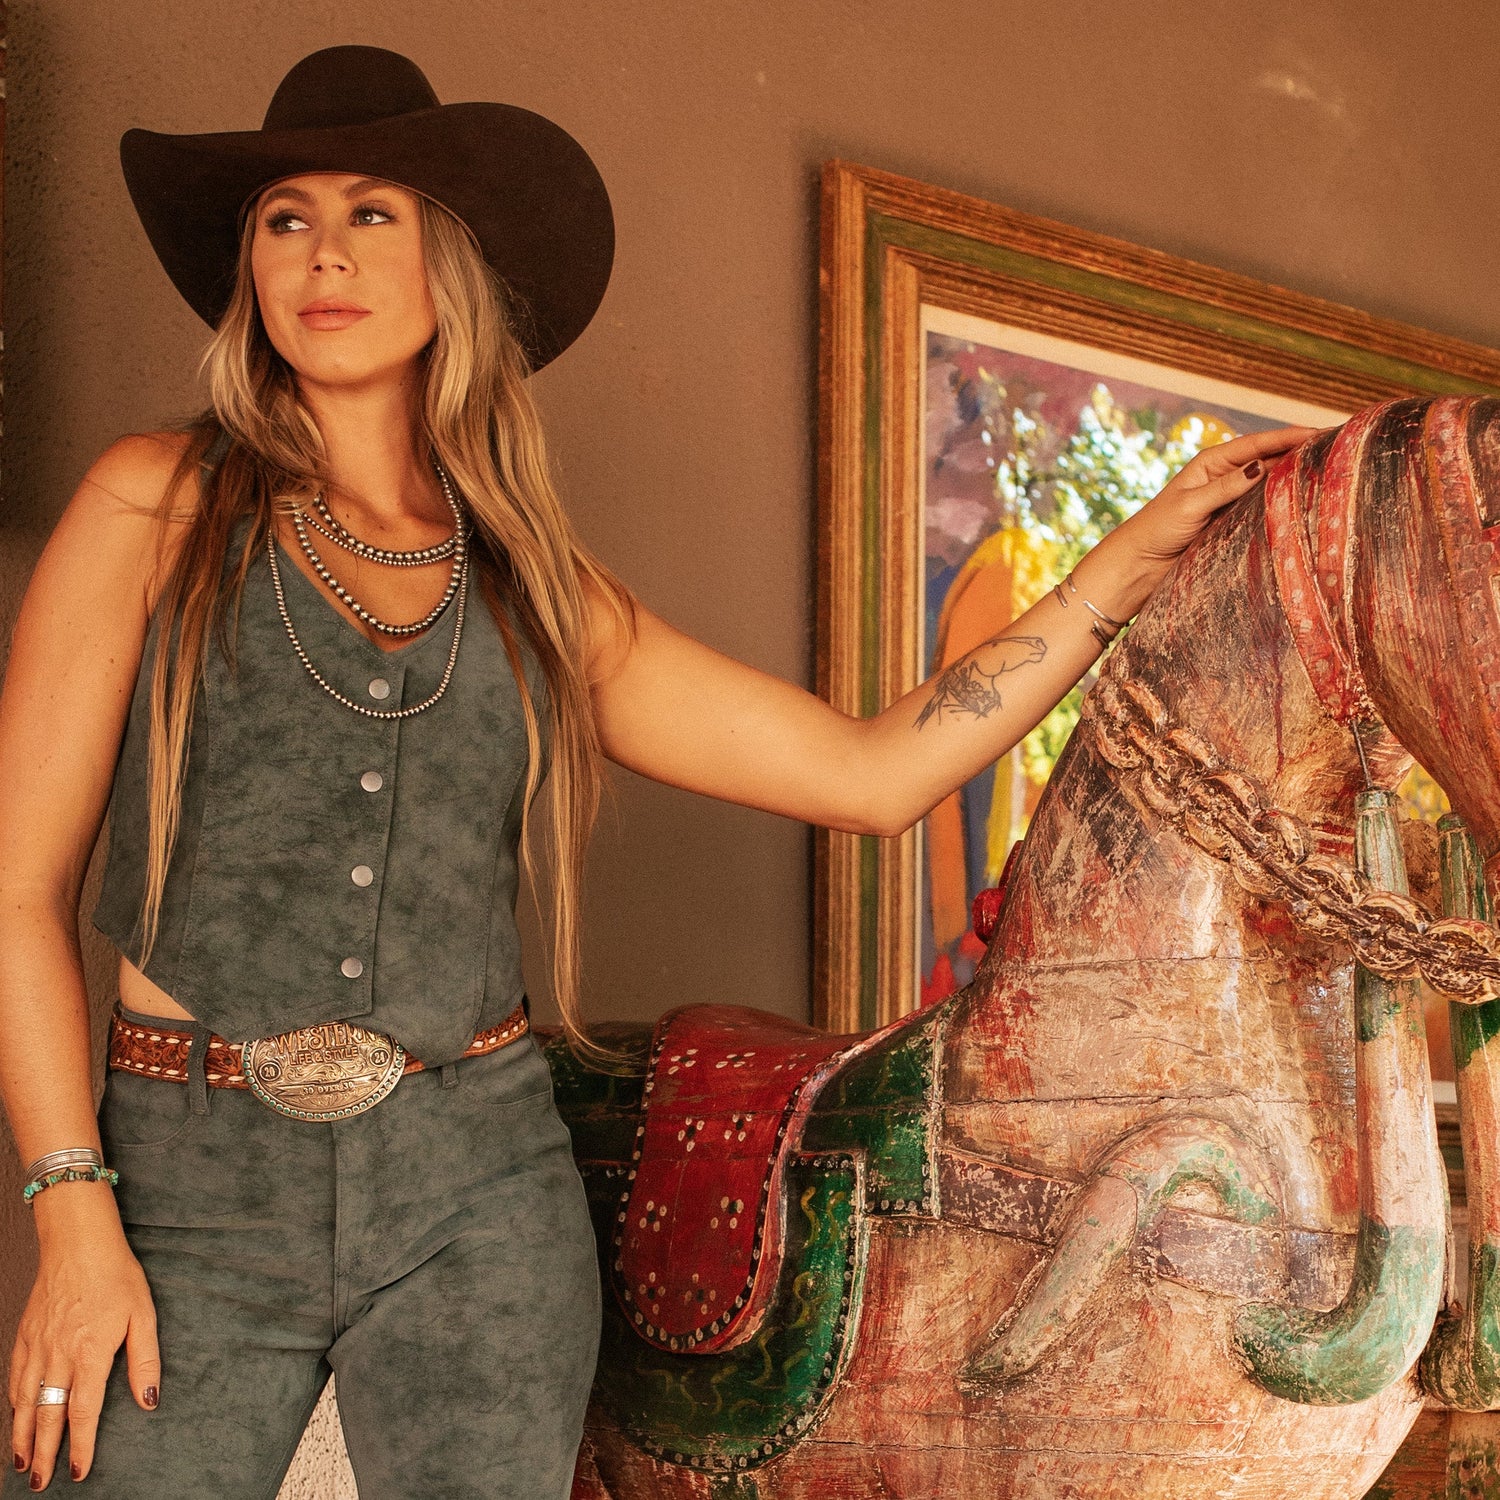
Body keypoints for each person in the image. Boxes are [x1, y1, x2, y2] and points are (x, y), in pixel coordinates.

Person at [0, 43, 1314, 1499]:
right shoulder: (152, 502)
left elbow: (869, 772)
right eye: (285, 217)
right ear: (248, 264)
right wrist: (71, 1211)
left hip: (473, 1193)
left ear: (450, 263)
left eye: (374, 212)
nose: (324, 253)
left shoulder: (538, 591)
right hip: (189, 1179)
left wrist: (1117, 566)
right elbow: (18, 891)